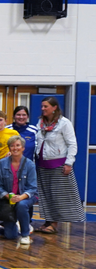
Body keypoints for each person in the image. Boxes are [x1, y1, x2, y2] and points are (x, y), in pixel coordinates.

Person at [34, 97, 84, 234]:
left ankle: (54, 223)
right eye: (42, 106)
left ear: (54, 107)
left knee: (58, 195)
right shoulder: (41, 122)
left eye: (46, 106)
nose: (43, 109)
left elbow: (72, 144)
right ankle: (48, 221)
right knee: (46, 195)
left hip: (58, 164)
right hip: (42, 164)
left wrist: (69, 162)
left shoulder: (64, 123)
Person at [0, 136, 37, 245]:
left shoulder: (30, 165)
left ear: (23, 147)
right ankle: (17, 224)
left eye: (18, 145)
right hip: (8, 197)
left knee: (21, 205)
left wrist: (20, 197)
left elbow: (33, 187)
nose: (15, 148)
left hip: (27, 196)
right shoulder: (1, 164)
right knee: (10, 236)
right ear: (9, 148)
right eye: (12, 146)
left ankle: (25, 234)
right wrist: (8, 196)